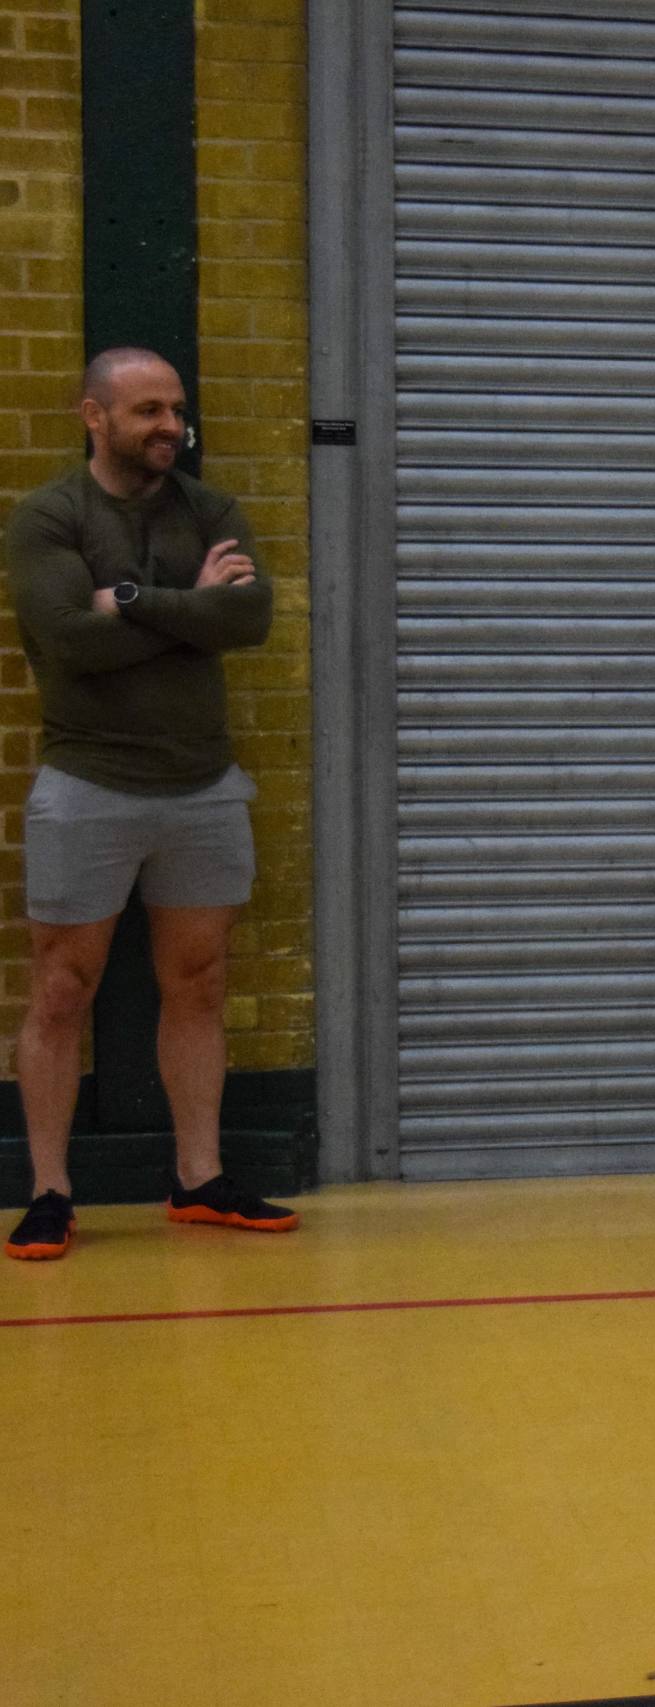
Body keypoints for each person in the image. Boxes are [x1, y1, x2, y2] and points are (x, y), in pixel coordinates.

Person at [2, 347, 292, 1260]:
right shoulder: (49, 516)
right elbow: (66, 643)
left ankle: (198, 1179)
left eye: (176, 409)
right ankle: (50, 1191)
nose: (170, 425)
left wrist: (126, 599)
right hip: (88, 782)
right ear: (96, 415)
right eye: (147, 411)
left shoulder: (208, 508)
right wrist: (184, 614)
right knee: (60, 988)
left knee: (200, 983)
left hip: (202, 784)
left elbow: (247, 620)